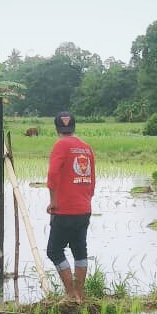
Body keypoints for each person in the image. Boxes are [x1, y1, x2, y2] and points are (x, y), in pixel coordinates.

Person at [46, 111, 96, 302]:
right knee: (80, 250)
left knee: (54, 251)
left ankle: (70, 293)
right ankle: (80, 295)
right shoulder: (86, 147)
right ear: (73, 127)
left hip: (65, 210)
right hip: (84, 209)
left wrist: (53, 201)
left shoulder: (60, 145)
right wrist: (86, 199)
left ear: (57, 128)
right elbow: (92, 180)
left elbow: (52, 175)